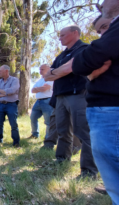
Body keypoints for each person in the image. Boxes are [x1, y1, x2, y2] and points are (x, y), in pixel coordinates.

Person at [72, 5, 119, 202]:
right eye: (99, 32)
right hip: (103, 108)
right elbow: (85, 67)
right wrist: (91, 72)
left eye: (106, 28)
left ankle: (88, 170)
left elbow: (82, 62)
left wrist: (88, 69)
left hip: (111, 109)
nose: (102, 35)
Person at [43, 25, 98, 179]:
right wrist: (59, 71)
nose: (59, 38)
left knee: (83, 132)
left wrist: (58, 72)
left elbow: (69, 69)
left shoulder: (84, 49)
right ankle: (61, 159)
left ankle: (89, 171)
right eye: (59, 36)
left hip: (78, 95)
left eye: (62, 35)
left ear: (75, 33)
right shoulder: (61, 55)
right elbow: (47, 76)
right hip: (60, 97)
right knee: (62, 131)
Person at [0, 65, 20, 147]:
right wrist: (6, 93)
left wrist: (1, 91)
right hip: (0, 104)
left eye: (0, 71)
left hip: (11, 104)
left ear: (6, 71)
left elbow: (13, 90)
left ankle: (16, 142)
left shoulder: (14, 80)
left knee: (13, 123)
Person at [28, 64, 53, 139]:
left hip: (47, 101)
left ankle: (48, 138)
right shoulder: (40, 80)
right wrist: (40, 88)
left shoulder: (51, 78)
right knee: (33, 117)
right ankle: (35, 134)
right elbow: (32, 90)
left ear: (48, 69)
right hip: (38, 101)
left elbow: (45, 88)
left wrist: (37, 89)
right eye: (40, 69)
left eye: (42, 69)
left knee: (48, 121)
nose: (40, 71)